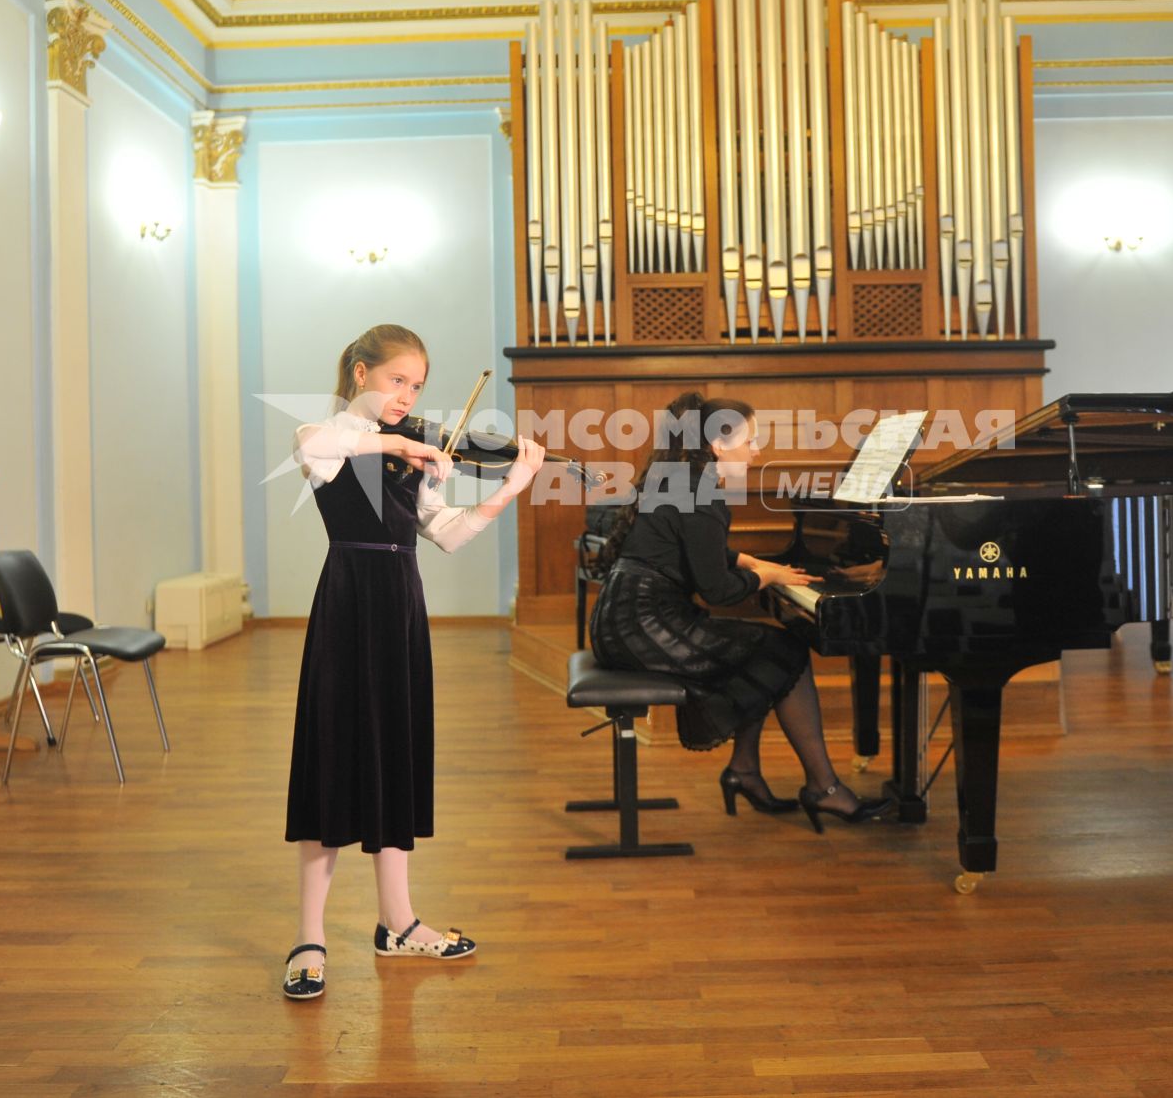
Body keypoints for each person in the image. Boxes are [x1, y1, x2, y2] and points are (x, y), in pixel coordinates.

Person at [281, 324, 545, 1001]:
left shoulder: (411, 459)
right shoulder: (334, 440)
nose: (410, 395)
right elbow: (314, 442)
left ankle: (398, 922)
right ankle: (309, 935)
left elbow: (449, 535)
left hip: (400, 605)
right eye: (399, 380)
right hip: (347, 602)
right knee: (334, 757)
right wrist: (397, 439)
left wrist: (510, 486)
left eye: (419, 386)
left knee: (391, 756)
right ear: (362, 373)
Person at [588, 390, 893, 834]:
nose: (757, 451)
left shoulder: (684, 480)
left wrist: (748, 561)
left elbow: (690, 548)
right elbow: (717, 590)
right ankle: (822, 788)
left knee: (768, 649)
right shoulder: (701, 490)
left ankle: (746, 771)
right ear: (717, 445)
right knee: (782, 650)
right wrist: (766, 578)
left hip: (623, 618)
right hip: (643, 626)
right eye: (750, 441)